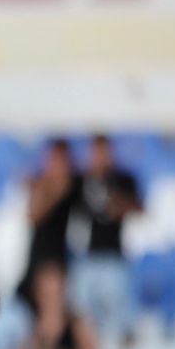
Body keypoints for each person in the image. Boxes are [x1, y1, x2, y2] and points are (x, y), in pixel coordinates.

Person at [69, 135, 141, 337]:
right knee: (82, 315)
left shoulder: (123, 179)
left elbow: (139, 207)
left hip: (114, 256)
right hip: (87, 258)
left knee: (118, 318)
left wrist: (117, 204)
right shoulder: (81, 181)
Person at [25, 139, 76, 284]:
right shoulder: (42, 184)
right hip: (42, 257)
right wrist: (56, 192)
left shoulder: (75, 185)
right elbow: (33, 216)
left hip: (64, 257)